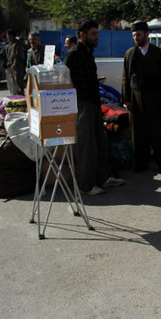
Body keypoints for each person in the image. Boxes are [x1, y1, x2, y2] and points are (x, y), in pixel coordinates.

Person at [65, 19, 124, 195]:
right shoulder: (74, 54)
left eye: (97, 33)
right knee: (87, 145)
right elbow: (69, 81)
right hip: (82, 104)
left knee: (101, 141)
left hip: (93, 102)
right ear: (82, 35)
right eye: (93, 34)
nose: (97, 37)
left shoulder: (87, 52)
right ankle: (87, 185)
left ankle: (103, 178)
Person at [122, 20, 161, 173]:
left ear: (147, 35)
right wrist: (126, 99)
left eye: (139, 35)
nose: (137, 38)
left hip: (155, 97)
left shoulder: (157, 53)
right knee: (138, 132)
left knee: (158, 132)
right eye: (134, 35)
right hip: (136, 97)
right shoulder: (130, 53)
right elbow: (126, 77)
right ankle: (141, 163)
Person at [0, 29, 25, 95]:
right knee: (11, 83)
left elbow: (17, 55)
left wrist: (14, 64)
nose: (7, 37)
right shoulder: (7, 44)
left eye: (8, 35)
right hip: (9, 66)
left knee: (18, 83)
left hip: (17, 67)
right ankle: (13, 95)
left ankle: (20, 96)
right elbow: (2, 54)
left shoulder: (17, 44)